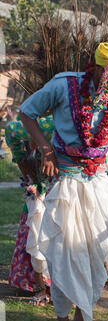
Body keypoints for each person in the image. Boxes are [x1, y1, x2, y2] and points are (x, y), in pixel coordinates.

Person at [19, 42, 108, 321]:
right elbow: (27, 112)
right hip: (65, 182)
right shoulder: (64, 85)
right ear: (99, 69)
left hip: (100, 184)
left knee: (94, 253)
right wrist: (45, 148)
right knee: (64, 252)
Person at [5, 115, 54, 304]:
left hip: (60, 191)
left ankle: (55, 285)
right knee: (36, 235)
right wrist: (33, 181)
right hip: (39, 194)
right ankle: (40, 285)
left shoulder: (57, 126)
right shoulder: (26, 128)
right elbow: (11, 132)